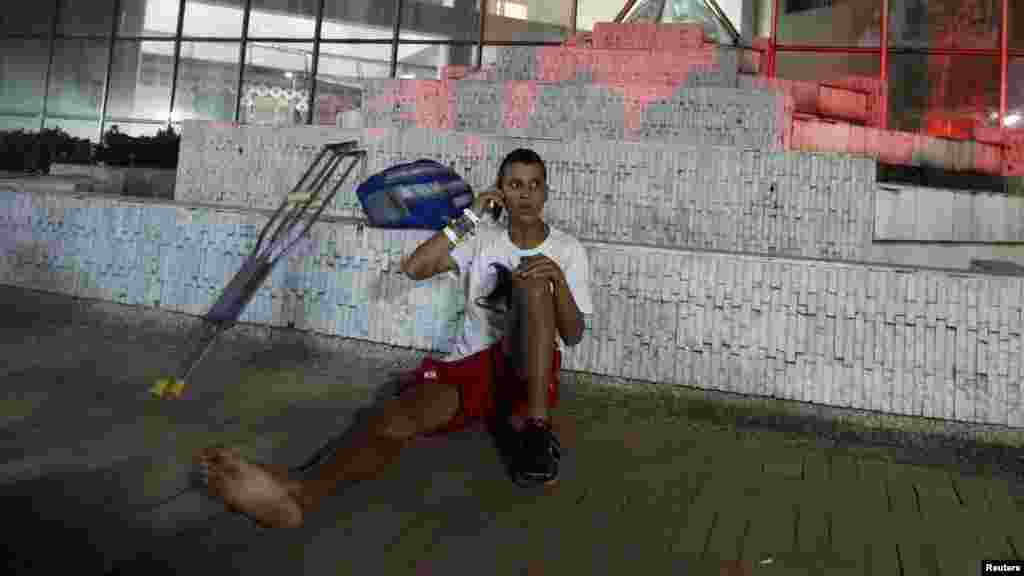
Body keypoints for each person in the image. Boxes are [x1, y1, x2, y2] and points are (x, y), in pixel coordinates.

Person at [194, 148, 594, 529]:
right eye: (515, 184)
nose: (525, 194)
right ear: (500, 191)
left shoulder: (567, 249)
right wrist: (470, 216)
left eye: (534, 184)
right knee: (392, 418)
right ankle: (300, 494)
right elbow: (415, 267)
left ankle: (538, 431)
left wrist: (557, 279)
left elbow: (573, 335)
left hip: (529, 367)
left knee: (534, 286)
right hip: (472, 365)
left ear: (546, 191)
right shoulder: (482, 238)